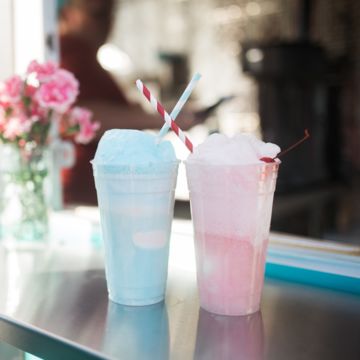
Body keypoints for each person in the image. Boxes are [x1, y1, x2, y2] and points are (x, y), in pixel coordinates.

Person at [58, 0, 200, 204]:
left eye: (110, 13)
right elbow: (80, 118)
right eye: (99, 15)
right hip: (89, 193)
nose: (108, 23)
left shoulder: (85, 55)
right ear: (69, 14)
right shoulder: (72, 51)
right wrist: (158, 119)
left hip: (106, 191)